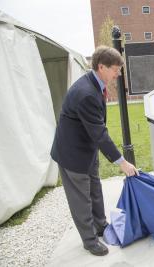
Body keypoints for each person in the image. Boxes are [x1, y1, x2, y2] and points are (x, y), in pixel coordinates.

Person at [51, 46, 139, 256]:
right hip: (72, 154)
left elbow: (96, 130)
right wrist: (122, 162)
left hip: (87, 148)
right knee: (81, 198)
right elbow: (100, 133)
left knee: (95, 190)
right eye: (115, 70)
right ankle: (90, 240)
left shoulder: (94, 84)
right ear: (102, 67)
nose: (118, 74)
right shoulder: (86, 93)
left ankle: (100, 225)